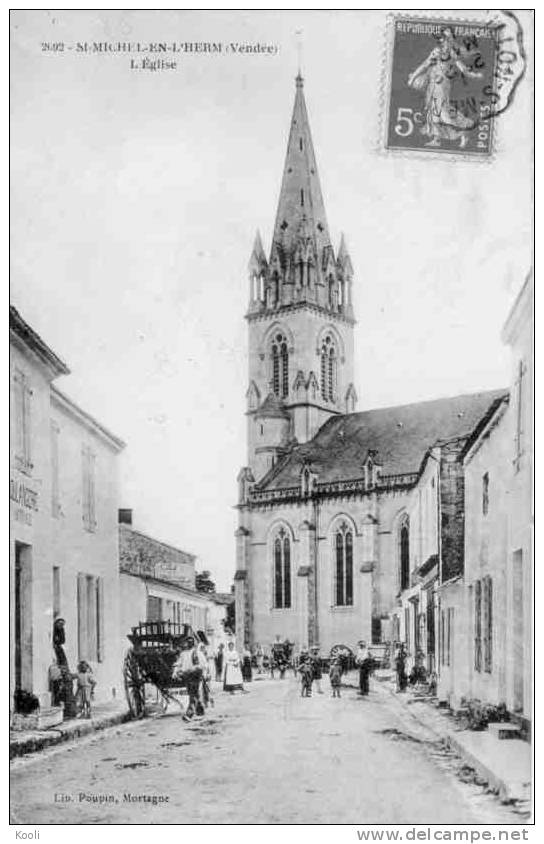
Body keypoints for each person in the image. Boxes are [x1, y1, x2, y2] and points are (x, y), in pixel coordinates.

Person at [407, 27, 484, 149]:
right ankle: (436, 139)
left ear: (452, 40)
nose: (446, 41)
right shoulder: (436, 51)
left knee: (444, 113)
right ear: (441, 40)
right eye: (444, 38)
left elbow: (462, 68)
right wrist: (413, 78)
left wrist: (474, 75)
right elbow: (425, 65)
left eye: (449, 38)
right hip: (432, 85)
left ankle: (464, 132)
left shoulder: (453, 53)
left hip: (443, 86)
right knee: (433, 113)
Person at [173, 635, 204, 719]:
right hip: (187, 676)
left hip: (195, 675)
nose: (189, 643)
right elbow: (179, 663)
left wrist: (196, 669)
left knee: (192, 694)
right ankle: (200, 708)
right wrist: (175, 671)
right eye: (188, 642)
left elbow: (201, 665)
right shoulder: (183, 654)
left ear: (193, 643)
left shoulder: (196, 653)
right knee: (193, 693)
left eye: (191, 642)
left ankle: (189, 714)